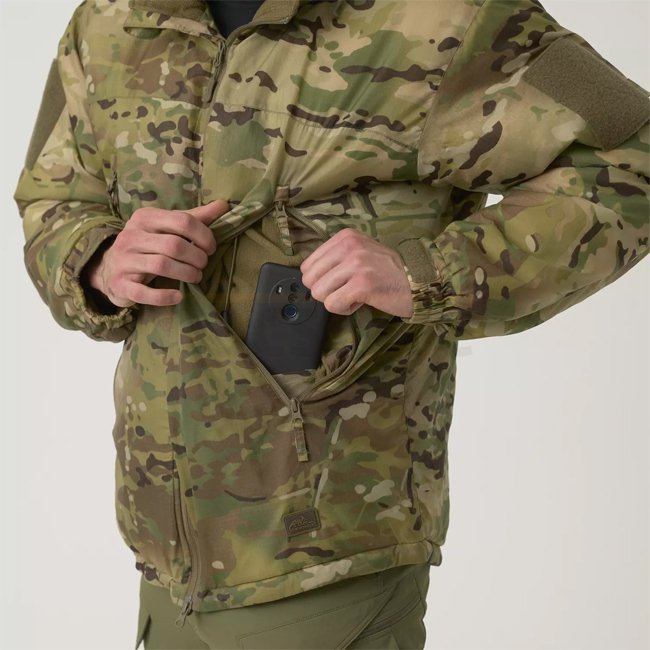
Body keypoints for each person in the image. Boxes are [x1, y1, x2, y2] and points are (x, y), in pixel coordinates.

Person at [13, 0, 649, 648]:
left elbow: (635, 151)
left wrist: (434, 269)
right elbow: (53, 197)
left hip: (334, 561)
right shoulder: (112, 18)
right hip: (165, 564)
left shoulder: (444, 15)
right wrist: (98, 258)